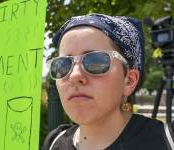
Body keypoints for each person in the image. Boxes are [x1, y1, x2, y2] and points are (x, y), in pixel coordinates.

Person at [42, 13, 174, 150]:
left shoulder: (166, 141)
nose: (74, 75)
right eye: (62, 64)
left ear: (129, 81)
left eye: (95, 61)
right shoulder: (54, 141)